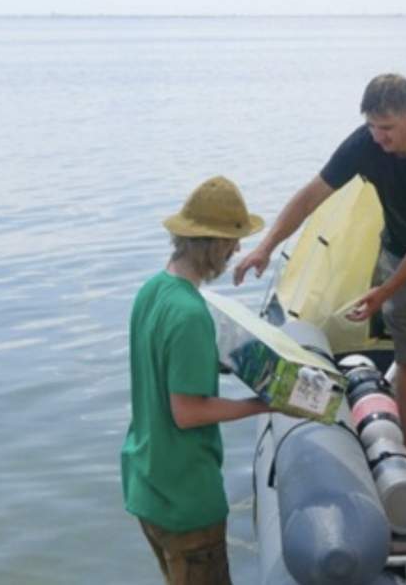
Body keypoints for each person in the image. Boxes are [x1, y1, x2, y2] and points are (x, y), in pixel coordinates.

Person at [234, 73, 406, 467]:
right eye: (372, 126)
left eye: (387, 128)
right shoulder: (364, 144)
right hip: (397, 254)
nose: (378, 138)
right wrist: (266, 247)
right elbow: (310, 197)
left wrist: (384, 292)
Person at [121, 175, 272, 585]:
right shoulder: (190, 314)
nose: (237, 249)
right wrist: (261, 405)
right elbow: (187, 412)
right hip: (187, 500)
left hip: (148, 484)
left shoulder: (152, 291)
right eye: (231, 240)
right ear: (211, 243)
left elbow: (158, 367)